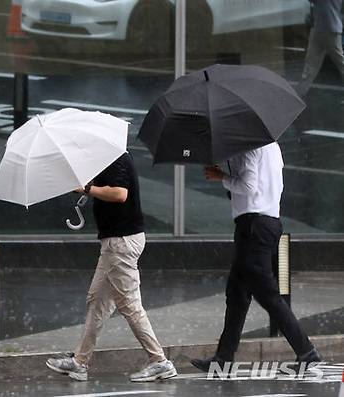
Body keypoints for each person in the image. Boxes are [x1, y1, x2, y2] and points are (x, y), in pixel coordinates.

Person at [45, 152, 177, 382]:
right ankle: (80, 362)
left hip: (121, 242)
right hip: (116, 242)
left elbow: (119, 194)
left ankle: (160, 361)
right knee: (97, 301)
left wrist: (87, 189)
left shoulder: (117, 158)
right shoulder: (107, 159)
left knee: (130, 304)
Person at [192, 142, 321, 372]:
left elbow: (249, 186)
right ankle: (224, 358)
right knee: (237, 294)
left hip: (255, 226)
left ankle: (306, 351)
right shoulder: (272, 147)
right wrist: (226, 174)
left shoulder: (249, 147)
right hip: (265, 223)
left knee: (266, 293)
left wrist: (221, 176)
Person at [295, 0, 344, 97]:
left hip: (329, 29)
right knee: (310, 64)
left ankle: (298, 94)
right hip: (320, 28)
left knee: (340, 63)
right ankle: (299, 94)